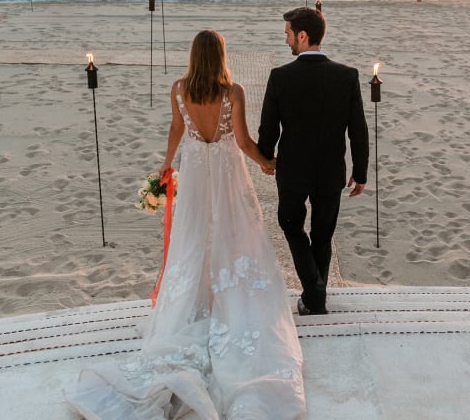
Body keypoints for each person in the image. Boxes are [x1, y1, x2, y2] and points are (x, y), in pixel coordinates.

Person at [66, 30, 306, 419]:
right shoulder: (234, 92)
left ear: (194, 56)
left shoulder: (179, 88)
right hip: (228, 171)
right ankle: (228, 300)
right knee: (236, 232)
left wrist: (167, 162)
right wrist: (267, 161)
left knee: (193, 237)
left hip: (194, 169)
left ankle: (195, 301)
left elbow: (177, 129)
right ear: (222, 56)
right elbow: (243, 141)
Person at [258, 7, 369, 316]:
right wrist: (360, 172)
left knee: (290, 224)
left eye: (288, 34)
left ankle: (314, 290)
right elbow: (358, 129)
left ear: (303, 36)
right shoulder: (347, 76)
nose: (286, 41)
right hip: (331, 170)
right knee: (323, 234)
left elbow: (268, 129)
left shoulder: (281, 77)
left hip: (293, 170)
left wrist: (266, 157)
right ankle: (315, 296)